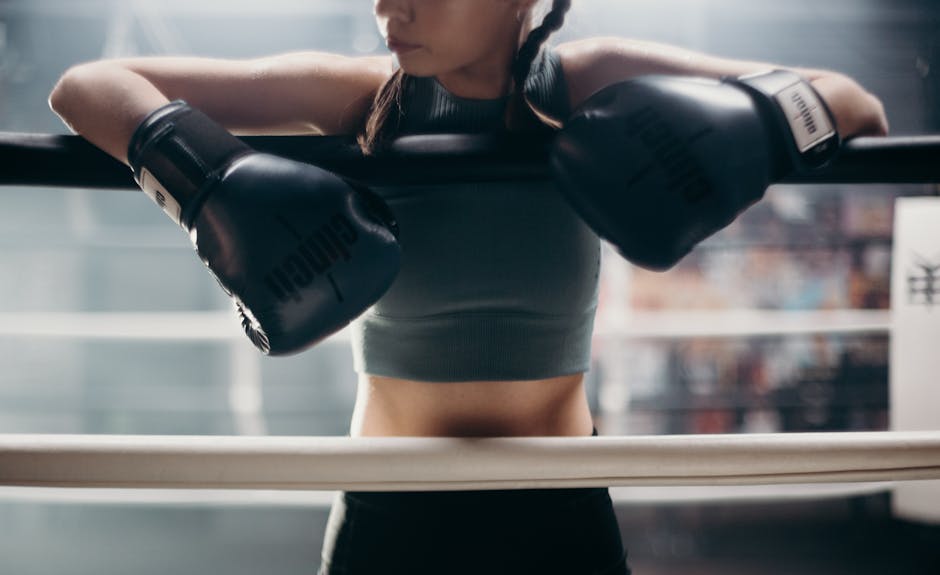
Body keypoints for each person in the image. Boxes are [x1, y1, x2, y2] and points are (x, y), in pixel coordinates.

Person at [48, 1, 889, 573]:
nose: (389, 7)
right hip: (391, 498)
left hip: (557, 495)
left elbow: (852, 102)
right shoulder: (359, 97)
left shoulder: (582, 83)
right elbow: (85, 88)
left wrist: (757, 129)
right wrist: (214, 178)